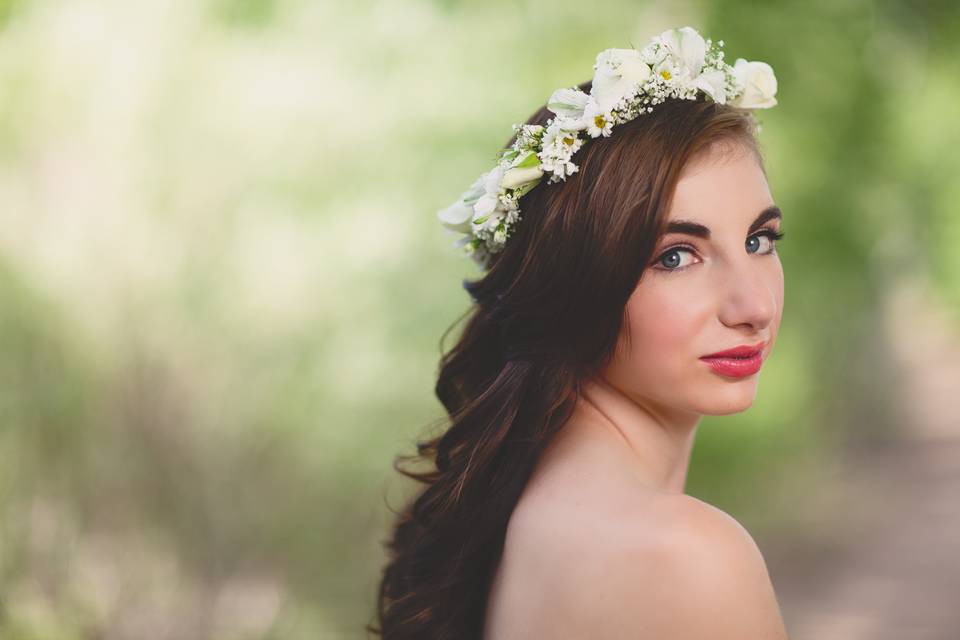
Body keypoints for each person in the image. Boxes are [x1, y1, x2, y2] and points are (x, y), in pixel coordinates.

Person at [369, 26, 789, 639]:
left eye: (759, 241)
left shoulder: (525, 514)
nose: (753, 305)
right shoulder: (687, 554)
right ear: (574, 284)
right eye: (675, 256)